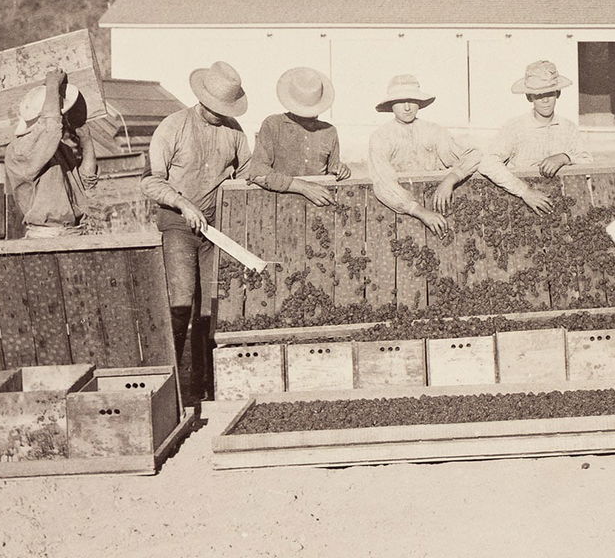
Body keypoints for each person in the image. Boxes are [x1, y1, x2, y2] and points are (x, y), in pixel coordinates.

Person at [142, 60, 251, 399]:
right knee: (181, 302)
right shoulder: (173, 126)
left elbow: (247, 174)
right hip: (177, 224)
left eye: (226, 109)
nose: (220, 114)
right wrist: (182, 203)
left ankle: (203, 385)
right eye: (215, 108)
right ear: (202, 98)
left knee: (211, 308)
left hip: (215, 229)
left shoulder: (234, 131)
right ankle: (170, 387)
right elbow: (149, 181)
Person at [367, 74, 550, 225]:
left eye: (412, 100)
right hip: (399, 213)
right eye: (400, 101)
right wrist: (420, 211)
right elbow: (383, 183)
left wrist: (451, 179)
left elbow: (474, 155)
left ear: (419, 102)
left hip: (437, 208)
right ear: (391, 105)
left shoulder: (433, 131)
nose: (407, 107)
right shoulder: (381, 137)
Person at [6, 69, 96, 239]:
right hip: (46, 237)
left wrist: (87, 140)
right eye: (63, 115)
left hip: (74, 233)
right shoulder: (19, 150)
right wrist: (52, 85)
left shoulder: (60, 149)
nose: (64, 120)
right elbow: (51, 126)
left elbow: (87, 181)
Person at [244, 67, 348, 201]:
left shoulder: (329, 131)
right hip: (278, 206)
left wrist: (341, 171)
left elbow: (333, 172)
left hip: (318, 210)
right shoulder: (273, 125)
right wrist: (303, 187)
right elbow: (257, 173)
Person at [490, 60, 591, 176]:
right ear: (529, 97)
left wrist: (565, 158)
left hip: (561, 192)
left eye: (550, 93)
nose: (545, 100)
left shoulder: (568, 128)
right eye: (539, 95)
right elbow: (491, 161)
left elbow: (587, 162)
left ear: (558, 93)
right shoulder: (515, 128)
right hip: (523, 191)